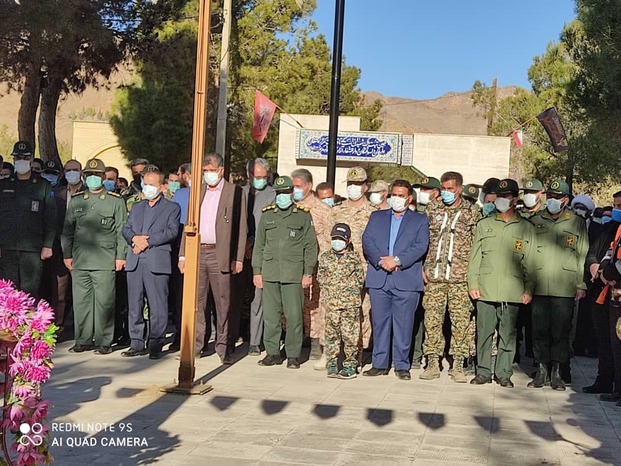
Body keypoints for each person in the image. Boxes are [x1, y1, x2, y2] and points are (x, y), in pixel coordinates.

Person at [178, 153, 247, 364]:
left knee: (223, 302)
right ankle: (196, 345)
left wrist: (238, 258)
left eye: (211, 170)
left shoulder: (234, 192)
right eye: (205, 171)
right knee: (197, 301)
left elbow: (241, 227)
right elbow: (188, 224)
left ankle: (224, 347)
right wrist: (183, 254)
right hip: (198, 252)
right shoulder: (198, 191)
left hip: (221, 254)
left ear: (221, 170)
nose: (208, 174)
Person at [468, 179, 535, 388]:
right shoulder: (484, 224)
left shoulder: (526, 227)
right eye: (499, 196)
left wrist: (529, 289)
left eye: (505, 196)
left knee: (508, 335)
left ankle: (504, 373)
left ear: (514, 199)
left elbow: (530, 261)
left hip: (512, 290)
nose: (501, 200)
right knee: (484, 333)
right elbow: (475, 258)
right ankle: (483, 371)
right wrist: (473, 284)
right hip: (486, 288)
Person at [362, 180, 430, 380]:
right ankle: (379, 364)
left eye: (401, 195)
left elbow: (421, 245)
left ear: (409, 198)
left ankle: (401, 365)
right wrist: (380, 261)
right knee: (380, 323)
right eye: (394, 195)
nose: (397, 199)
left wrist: (397, 260)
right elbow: (367, 241)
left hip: (405, 279)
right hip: (380, 278)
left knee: (404, 325)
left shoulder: (419, 220)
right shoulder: (377, 217)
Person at [61, 158, 128, 354]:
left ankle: (103, 341)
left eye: (97, 175)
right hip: (80, 258)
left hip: (105, 259)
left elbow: (121, 230)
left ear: (103, 176)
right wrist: (67, 254)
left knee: (104, 302)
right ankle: (82, 340)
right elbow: (68, 230)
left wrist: (120, 256)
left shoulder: (115, 201)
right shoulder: (77, 200)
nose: (93, 178)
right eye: (89, 175)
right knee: (81, 302)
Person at [420, 171, 481, 383]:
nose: (446, 192)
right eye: (444, 189)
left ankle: (458, 365)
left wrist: (473, 276)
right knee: (432, 321)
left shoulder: (472, 212)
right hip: (434, 277)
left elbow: (477, 246)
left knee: (461, 323)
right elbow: (423, 240)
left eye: (450, 189)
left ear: (459, 189)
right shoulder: (432, 208)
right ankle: (432, 363)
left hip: (460, 278)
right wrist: (422, 267)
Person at [528, 180, 588, 390]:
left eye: (557, 197)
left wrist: (580, 284)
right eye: (550, 196)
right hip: (540, 283)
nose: (552, 200)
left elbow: (581, 254)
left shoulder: (576, 222)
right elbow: (528, 254)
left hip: (564, 285)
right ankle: (541, 370)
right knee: (539, 330)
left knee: (561, 332)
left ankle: (557, 372)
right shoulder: (536, 220)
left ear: (566, 200)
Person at [252, 175, 318, 369]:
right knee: (271, 316)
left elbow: (310, 246)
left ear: (291, 193)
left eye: (285, 192)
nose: (282, 196)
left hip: (293, 273)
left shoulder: (302, 215)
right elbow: (259, 245)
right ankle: (272, 353)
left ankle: (293, 355)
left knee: (294, 316)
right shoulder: (267, 215)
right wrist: (257, 271)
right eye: (279, 193)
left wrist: (308, 272)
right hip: (270, 272)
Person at [121, 167, 180, 360]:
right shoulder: (137, 207)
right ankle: (136, 342)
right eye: (145, 184)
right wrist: (134, 239)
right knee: (134, 304)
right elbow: (126, 229)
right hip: (135, 261)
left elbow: (171, 231)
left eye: (152, 185)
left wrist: (147, 242)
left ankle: (156, 343)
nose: (148, 188)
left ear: (162, 187)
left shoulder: (172, 208)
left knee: (157, 305)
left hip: (156, 261)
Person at [0, 141, 56, 296]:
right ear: (13, 159)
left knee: (29, 293)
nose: (21, 161)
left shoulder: (43, 186)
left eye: (25, 158)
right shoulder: (4, 184)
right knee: (8, 292)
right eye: (18, 157)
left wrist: (48, 245)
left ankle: (29, 314)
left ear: (31, 159)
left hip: (32, 248)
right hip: (7, 247)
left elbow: (50, 218)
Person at [332, 167, 375, 350]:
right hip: (340, 271)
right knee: (337, 312)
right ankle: (337, 351)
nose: (353, 187)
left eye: (358, 184)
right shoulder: (336, 211)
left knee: (363, 312)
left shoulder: (375, 212)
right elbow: (327, 241)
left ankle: (358, 352)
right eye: (350, 184)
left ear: (366, 186)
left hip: (365, 268)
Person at [292, 168, 331, 360]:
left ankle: (315, 343)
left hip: (314, 265)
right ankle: (293, 341)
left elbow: (328, 240)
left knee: (314, 305)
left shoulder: (322, 209)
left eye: (298, 186)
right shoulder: (289, 207)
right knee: (292, 305)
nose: (295, 190)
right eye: (293, 186)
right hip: (292, 265)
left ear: (309, 186)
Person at [317, 223, 366, 379]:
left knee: (350, 336)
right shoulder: (325, 257)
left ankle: (350, 365)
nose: (337, 242)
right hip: (331, 304)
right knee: (331, 335)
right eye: (335, 239)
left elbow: (360, 279)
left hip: (350, 304)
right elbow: (321, 278)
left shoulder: (354, 258)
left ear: (348, 240)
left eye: (341, 239)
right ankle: (332, 363)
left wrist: (348, 292)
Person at [583, 202, 621, 396]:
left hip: (616, 290)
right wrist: (595, 268)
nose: (616, 210)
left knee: (617, 341)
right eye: (616, 206)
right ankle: (604, 379)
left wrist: (608, 273)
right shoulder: (607, 229)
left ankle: (617, 386)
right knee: (604, 340)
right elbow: (595, 253)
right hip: (601, 292)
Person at [242, 158, 276, 356]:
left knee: (258, 298)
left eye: (264, 176)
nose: (260, 179)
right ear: (249, 175)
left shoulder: (273, 195)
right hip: (239, 252)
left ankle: (255, 341)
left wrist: (252, 242)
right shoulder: (239, 193)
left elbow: (269, 224)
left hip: (261, 252)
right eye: (257, 176)